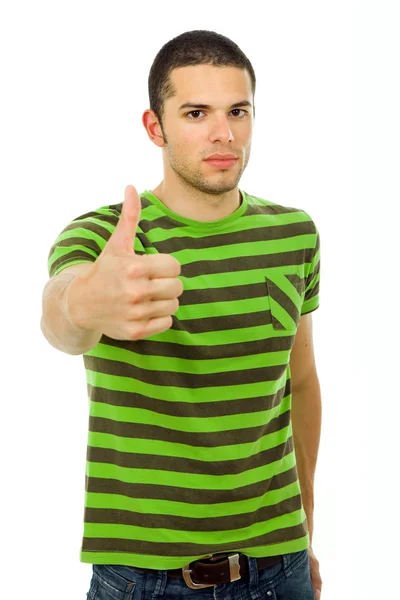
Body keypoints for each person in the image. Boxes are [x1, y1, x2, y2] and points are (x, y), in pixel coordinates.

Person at [41, 29, 323, 600]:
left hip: (279, 567)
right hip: (143, 580)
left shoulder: (295, 233)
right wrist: (87, 301)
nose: (223, 133)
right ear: (156, 127)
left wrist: (306, 532)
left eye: (237, 111)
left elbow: (300, 380)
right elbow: (61, 317)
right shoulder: (106, 236)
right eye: (196, 112)